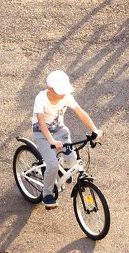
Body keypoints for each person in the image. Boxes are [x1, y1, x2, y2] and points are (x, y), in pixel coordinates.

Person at [32, 70, 102, 209]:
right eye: (60, 91)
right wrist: (51, 141)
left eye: (65, 91)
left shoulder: (66, 97)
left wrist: (95, 130)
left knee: (72, 161)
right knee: (51, 165)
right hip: (42, 134)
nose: (63, 94)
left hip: (60, 132)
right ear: (49, 89)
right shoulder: (41, 98)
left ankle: (60, 169)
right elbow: (41, 122)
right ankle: (47, 194)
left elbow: (81, 113)